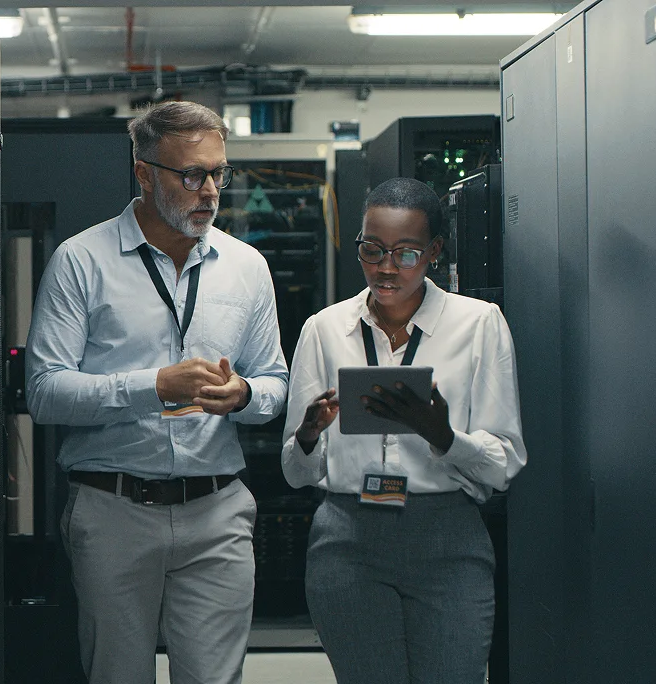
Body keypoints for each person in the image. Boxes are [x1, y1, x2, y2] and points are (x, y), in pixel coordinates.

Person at [26, 101, 288, 684]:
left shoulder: (247, 267)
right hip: (114, 510)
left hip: (217, 512)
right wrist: (153, 388)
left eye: (219, 173)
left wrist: (243, 395)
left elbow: (276, 384)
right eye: (191, 175)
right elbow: (44, 392)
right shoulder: (82, 260)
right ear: (144, 173)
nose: (210, 191)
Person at [281, 177, 527, 684]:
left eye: (407, 253)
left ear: (435, 251)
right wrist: (307, 435)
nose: (387, 267)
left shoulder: (479, 324)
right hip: (348, 536)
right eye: (372, 250)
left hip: (447, 539)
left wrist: (443, 436)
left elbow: (504, 464)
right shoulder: (324, 329)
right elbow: (295, 472)